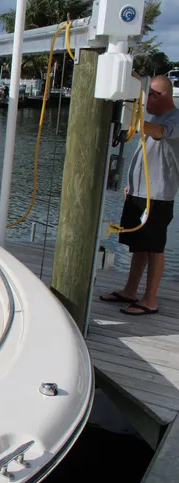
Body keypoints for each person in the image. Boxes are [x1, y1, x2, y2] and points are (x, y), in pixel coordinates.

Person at [101, 75, 179, 315]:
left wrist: (131, 118)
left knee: (155, 248)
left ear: (161, 95)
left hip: (157, 196)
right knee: (139, 246)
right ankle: (131, 290)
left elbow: (159, 133)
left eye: (149, 97)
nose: (145, 103)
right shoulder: (155, 118)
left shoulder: (174, 119)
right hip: (140, 193)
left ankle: (150, 300)